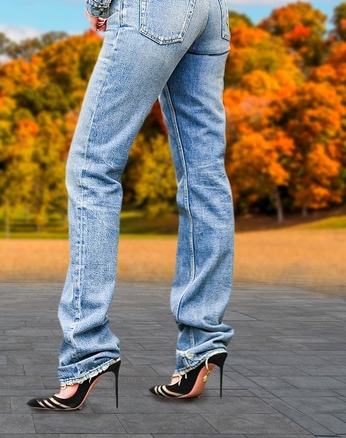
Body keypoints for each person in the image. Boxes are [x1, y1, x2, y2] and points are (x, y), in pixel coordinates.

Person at [28, 0, 234, 410]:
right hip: (212, 14)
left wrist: (98, 3)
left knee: (91, 169)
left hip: (154, 12)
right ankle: (202, 345)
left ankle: (87, 353)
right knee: (204, 176)